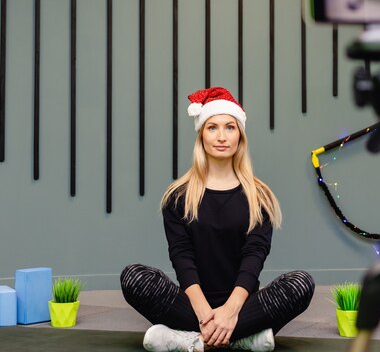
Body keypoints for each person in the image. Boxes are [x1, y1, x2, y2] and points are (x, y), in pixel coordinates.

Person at [121, 87, 315, 352]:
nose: (221, 136)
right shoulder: (177, 196)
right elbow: (182, 257)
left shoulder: (260, 197)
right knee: (134, 277)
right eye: (212, 128)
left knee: (300, 283)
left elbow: (254, 257)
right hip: (192, 305)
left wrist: (230, 312)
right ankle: (243, 339)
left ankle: (191, 340)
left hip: (243, 304)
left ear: (240, 137)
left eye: (230, 128)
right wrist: (205, 313)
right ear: (201, 136)